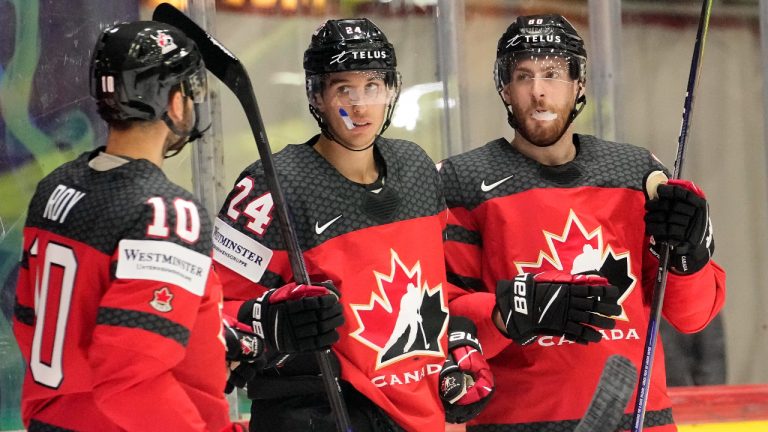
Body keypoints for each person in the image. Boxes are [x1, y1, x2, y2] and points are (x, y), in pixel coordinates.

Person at [439, 14, 726, 431]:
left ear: (579, 83)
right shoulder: (462, 183)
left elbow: (692, 317)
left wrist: (689, 255)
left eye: (553, 74)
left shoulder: (638, 174)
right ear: (505, 87)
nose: (538, 91)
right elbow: (443, 322)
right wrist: (511, 309)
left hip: (640, 420)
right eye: (523, 75)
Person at [213, 18, 493, 431]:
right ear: (318, 97)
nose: (359, 106)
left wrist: (456, 337)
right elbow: (211, 314)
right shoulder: (268, 188)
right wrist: (266, 323)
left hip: (416, 416)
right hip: (317, 414)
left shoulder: (416, 167)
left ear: (390, 91)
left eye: (372, 87)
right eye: (344, 89)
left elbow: (429, 290)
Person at [12, 21, 246, 431]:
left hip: (52, 418)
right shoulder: (165, 213)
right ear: (175, 104)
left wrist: (204, 334)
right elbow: (130, 382)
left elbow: (36, 318)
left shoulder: (56, 188)